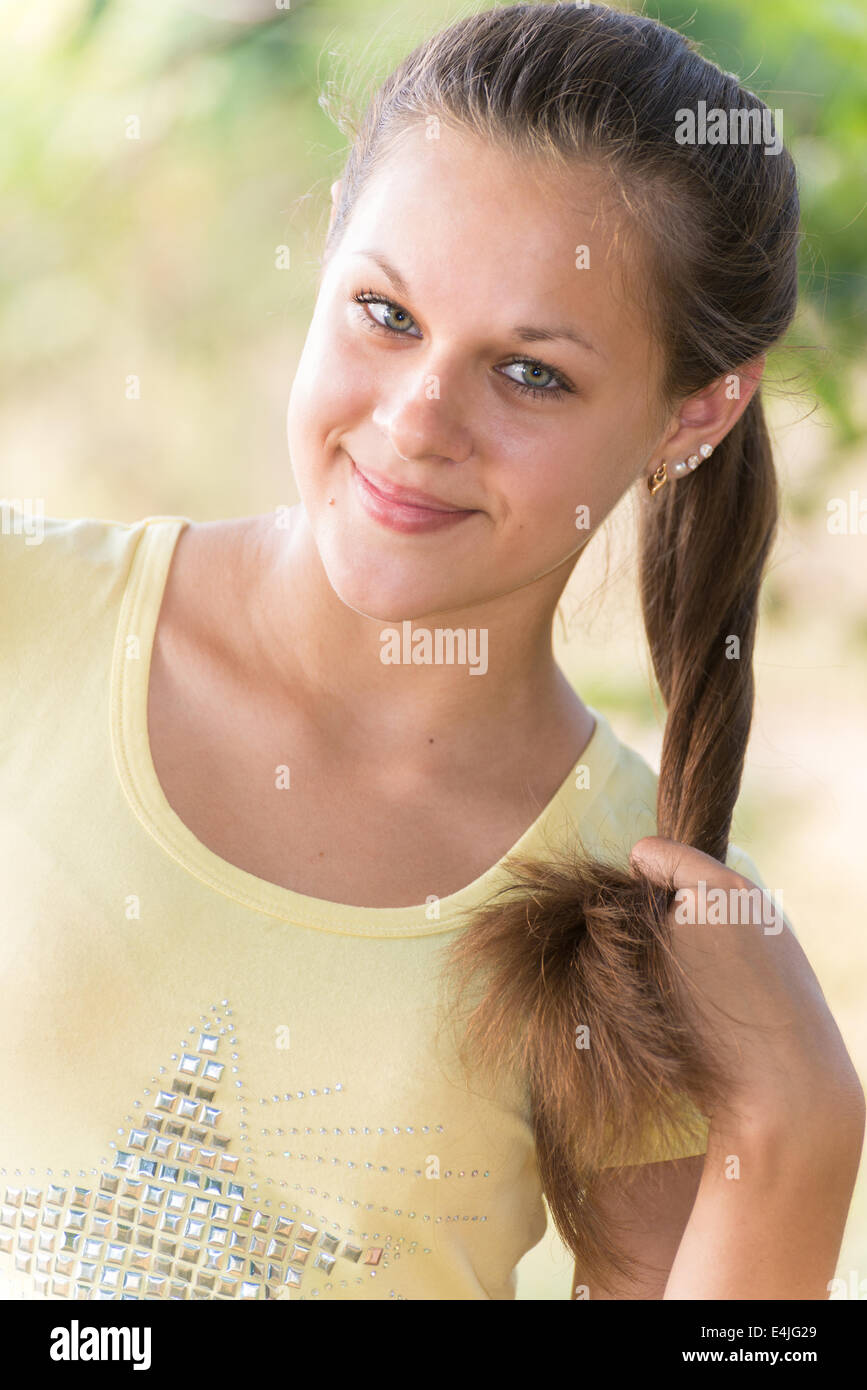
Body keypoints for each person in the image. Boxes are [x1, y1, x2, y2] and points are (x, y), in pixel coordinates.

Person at [0, 2, 862, 1302]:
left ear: (696, 410)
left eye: (531, 374)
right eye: (385, 314)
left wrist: (801, 1123)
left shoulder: (642, 918)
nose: (417, 422)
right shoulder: (26, 615)